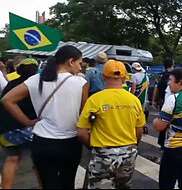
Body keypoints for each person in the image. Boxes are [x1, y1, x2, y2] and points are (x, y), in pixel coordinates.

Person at [1, 45, 88, 189]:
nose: (80, 68)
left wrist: (27, 122)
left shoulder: (36, 79)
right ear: (71, 61)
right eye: (80, 63)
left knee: (48, 184)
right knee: (67, 183)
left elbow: (7, 100)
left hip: (42, 141)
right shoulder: (80, 83)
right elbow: (83, 113)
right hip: (70, 142)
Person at [77, 60, 146, 189]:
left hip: (102, 154)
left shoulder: (95, 99)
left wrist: (92, 146)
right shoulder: (134, 100)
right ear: (124, 78)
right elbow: (139, 130)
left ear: (103, 77)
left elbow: (81, 132)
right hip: (128, 154)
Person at [0, 59, 40, 189]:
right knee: (38, 162)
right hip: (33, 130)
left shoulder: (11, 85)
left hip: (9, 129)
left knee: (11, 159)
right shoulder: (39, 86)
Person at [130, 62, 149, 133]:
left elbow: (133, 88)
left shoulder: (134, 76)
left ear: (133, 68)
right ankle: (143, 125)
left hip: (137, 96)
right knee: (142, 111)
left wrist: (131, 96)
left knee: (135, 111)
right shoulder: (146, 76)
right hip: (144, 97)